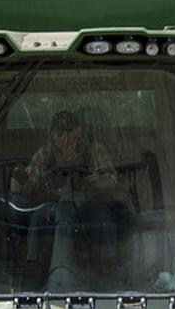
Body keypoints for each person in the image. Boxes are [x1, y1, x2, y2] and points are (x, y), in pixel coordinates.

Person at [12, 110, 126, 288]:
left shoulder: (94, 150)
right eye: (60, 134)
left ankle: (108, 268)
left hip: (89, 203)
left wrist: (98, 180)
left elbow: (112, 180)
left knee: (104, 219)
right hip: (55, 205)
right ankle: (34, 268)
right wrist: (20, 181)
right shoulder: (45, 154)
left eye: (70, 132)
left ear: (78, 131)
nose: (65, 138)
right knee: (37, 218)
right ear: (52, 134)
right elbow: (28, 184)